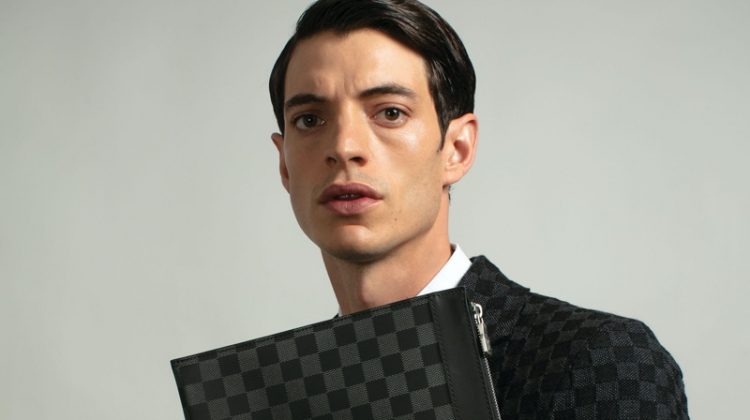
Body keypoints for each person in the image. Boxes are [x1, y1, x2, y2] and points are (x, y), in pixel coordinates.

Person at [268, 0, 689, 418]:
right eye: (309, 120)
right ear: (285, 164)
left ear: (457, 149)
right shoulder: (277, 397)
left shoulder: (599, 362)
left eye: (390, 113)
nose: (344, 147)